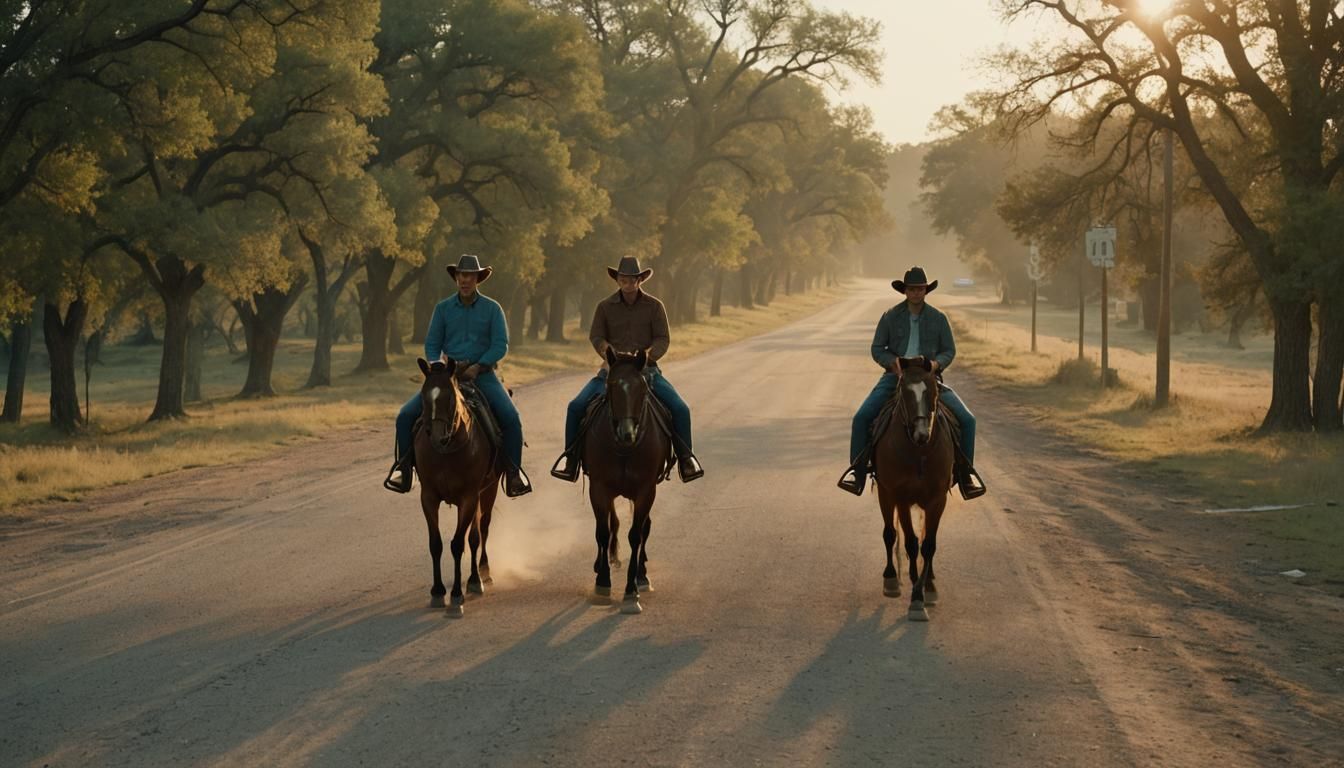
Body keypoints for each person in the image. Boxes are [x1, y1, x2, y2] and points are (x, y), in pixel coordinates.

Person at [384, 254, 533, 497]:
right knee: (405, 416)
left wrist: (479, 365)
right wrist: (437, 367)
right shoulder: (442, 309)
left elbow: (500, 345)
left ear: (477, 279)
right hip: (447, 376)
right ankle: (403, 469)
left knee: (511, 418)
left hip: (483, 375)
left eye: (470, 276)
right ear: (456, 278)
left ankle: (514, 473)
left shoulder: (492, 308)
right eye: (461, 275)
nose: (465, 280)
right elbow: (432, 344)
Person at [551, 256, 704, 483]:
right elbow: (596, 336)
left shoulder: (655, 306)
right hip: (611, 371)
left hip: (646, 371)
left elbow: (662, 338)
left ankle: (686, 459)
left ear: (640, 280)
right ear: (617, 280)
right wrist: (607, 352)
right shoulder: (604, 307)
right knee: (575, 407)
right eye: (624, 279)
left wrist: (647, 357)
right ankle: (570, 460)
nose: (628, 284)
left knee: (681, 409)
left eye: (633, 280)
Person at [838, 266, 986, 500]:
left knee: (968, 420)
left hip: (928, 378)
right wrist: (893, 362)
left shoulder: (938, 318)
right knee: (861, 417)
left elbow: (949, 350)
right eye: (912, 289)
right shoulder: (890, 316)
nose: (916, 293)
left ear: (926, 291)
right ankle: (857, 472)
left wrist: (936, 364)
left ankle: (966, 473)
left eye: (920, 289)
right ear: (905, 291)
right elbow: (877, 348)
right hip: (895, 377)